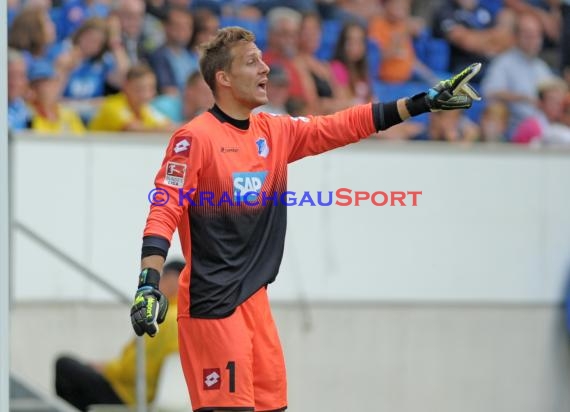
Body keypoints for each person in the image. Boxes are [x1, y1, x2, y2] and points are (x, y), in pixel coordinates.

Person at [129, 26, 481, 412]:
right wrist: (149, 283)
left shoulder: (274, 131)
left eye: (263, 58)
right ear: (223, 78)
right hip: (213, 308)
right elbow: (164, 208)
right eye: (252, 62)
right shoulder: (194, 138)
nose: (265, 68)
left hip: (255, 304)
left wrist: (422, 102)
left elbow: (341, 126)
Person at [55, 259, 184, 412]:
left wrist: (106, 369)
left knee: (64, 366)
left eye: (163, 277)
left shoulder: (165, 318)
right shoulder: (182, 317)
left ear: (177, 279)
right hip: (137, 391)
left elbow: (138, 367)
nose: (158, 282)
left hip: (127, 395)